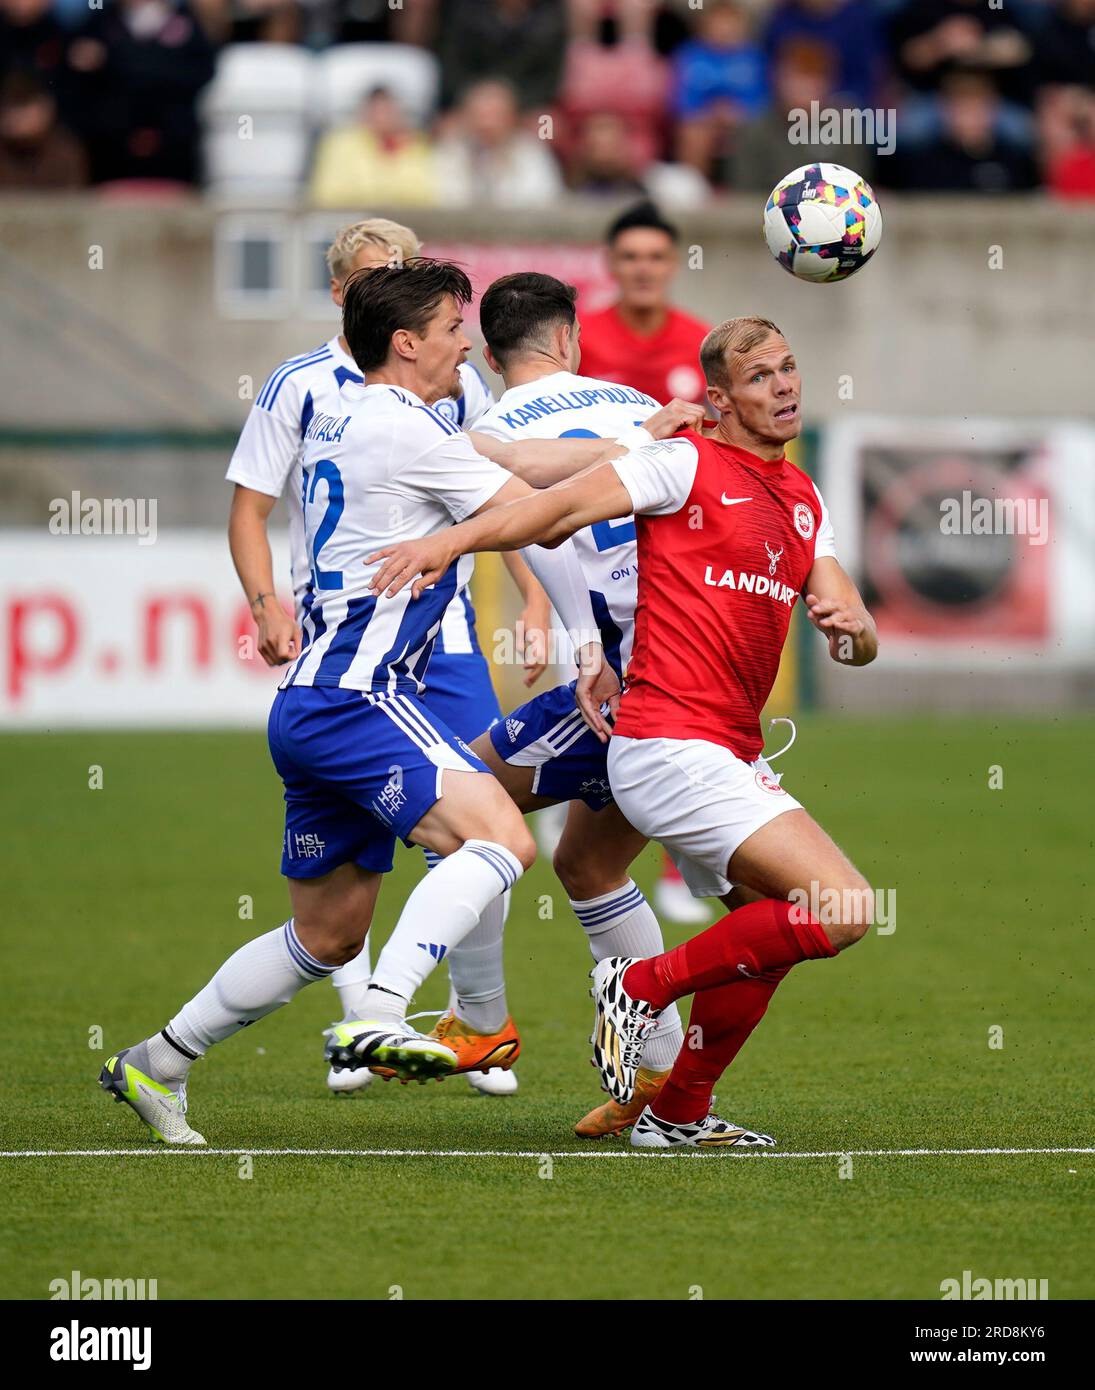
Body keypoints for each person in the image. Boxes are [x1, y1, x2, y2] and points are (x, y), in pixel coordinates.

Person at [100, 259, 610, 1144]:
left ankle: (158, 1060)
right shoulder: (407, 429)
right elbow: (544, 511)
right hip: (358, 696)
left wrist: (633, 447)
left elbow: (518, 461)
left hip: (308, 705)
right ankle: (382, 1012)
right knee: (502, 836)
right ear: (406, 343)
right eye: (454, 327)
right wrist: (651, 458)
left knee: (327, 933)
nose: (467, 343)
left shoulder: (354, 410)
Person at [364, 315, 879, 1150]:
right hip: (669, 745)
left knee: (768, 934)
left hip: (726, 753)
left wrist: (853, 627)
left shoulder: (804, 500)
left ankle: (674, 1113)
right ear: (716, 400)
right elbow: (553, 512)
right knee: (842, 906)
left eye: (788, 369)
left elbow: (854, 637)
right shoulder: (680, 463)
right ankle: (634, 986)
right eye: (758, 378)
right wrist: (447, 541)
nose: (782, 387)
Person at [224, 217, 552, 1099]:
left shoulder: (448, 381)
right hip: (357, 642)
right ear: (348, 298)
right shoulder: (303, 385)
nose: (403, 288)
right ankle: (368, 1015)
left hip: (438, 641)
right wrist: (266, 603)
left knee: (478, 815)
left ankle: (473, 1015)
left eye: (408, 272)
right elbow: (249, 508)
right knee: (430, 833)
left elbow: (495, 489)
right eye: (382, 277)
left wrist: (531, 593)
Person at [466, 271, 706, 1135]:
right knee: (590, 866)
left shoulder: (481, 429)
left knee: (460, 800)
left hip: (636, 683)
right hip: (688, 664)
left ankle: (467, 1016)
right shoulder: (644, 405)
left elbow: (506, 512)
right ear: (570, 338)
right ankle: (665, 1085)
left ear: (488, 356)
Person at [576, 201, 713, 926]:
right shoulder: (583, 341)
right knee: (594, 677)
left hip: (670, 548)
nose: (641, 269)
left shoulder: (697, 343)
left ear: (672, 264)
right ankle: (577, 793)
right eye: (628, 257)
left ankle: (675, 859)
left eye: (654, 257)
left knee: (681, 688)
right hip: (587, 541)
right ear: (611, 264)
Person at [308, 86, 439, 209]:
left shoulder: (415, 144)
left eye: (387, 111)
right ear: (364, 112)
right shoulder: (339, 143)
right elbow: (327, 194)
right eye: (376, 111)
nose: (381, 117)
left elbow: (425, 195)